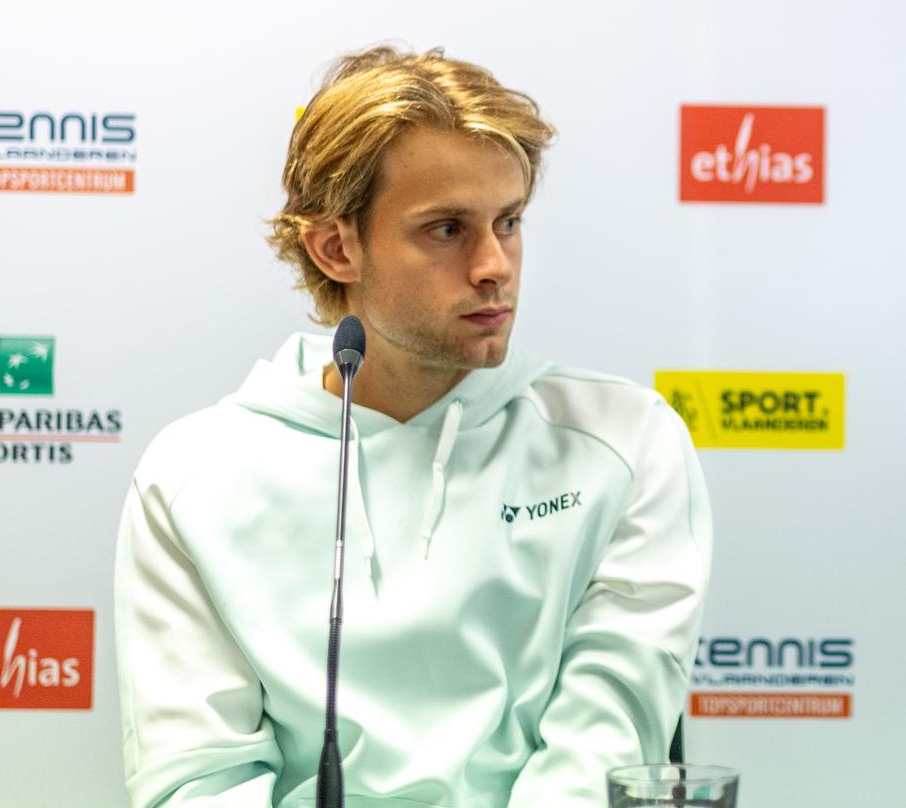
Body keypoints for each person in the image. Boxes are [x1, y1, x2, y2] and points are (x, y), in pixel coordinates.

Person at [114, 47, 710, 807]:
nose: (495, 265)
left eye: (509, 222)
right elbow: (199, 782)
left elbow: (600, 753)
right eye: (447, 229)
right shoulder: (193, 475)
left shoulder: (625, 440)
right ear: (337, 247)